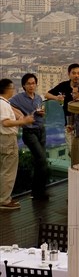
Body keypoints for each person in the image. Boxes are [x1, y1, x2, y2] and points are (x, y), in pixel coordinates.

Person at [9, 73, 50, 201]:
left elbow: (40, 110)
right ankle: (38, 192)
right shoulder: (19, 98)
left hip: (41, 130)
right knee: (42, 160)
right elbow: (5, 103)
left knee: (39, 162)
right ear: (24, 86)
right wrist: (19, 114)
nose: (31, 86)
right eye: (29, 83)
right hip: (29, 132)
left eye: (33, 83)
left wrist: (42, 113)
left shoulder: (38, 98)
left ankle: (38, 192)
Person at [1, 79, 35, 210]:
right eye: (12, 88)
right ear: (8, 89)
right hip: (7, 138)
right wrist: (23, 121)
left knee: (4, 169)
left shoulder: (4, 103)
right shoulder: (3, 104)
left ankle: (3, 197)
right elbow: (6, 122)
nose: (13, 90)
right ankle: (4, 200)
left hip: (3, 139)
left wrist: (19, 115)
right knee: (8, 171)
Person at [44, 63, 79, 152]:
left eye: (78, 73)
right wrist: (56, 98)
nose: (76, 75)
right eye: (74, 73)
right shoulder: (64, 85)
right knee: (72, 151)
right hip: (68, 123)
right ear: (69, 74)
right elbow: (47, 94)